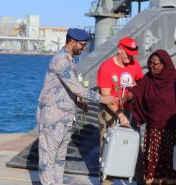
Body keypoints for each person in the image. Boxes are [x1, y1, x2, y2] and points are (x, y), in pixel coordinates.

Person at [36, 28, 117, 185]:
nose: (84, 48)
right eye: (83, 44)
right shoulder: (61, 60)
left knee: (59, 158)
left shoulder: (69, 60)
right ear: (72, 42)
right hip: (53, 118)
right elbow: (76, 88)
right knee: (48, 158)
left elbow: (65, 89)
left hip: (64, 117)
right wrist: (102, 99)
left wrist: (77, 101)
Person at [124, 49, 176, 185]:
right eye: (149, 63)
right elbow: (138, 90)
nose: (151, 66)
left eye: (155, 64)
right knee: (154, 163)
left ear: (164, 64)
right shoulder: (148, 78)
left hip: (175, 131)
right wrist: (129, 95)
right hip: (154, 131)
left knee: (174, 165)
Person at [96, 37, 144, 185]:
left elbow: (141, 83)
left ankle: (140, 180)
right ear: (120, 50)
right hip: (109, 111)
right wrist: (120, 115)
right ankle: (106, 181)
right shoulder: (106, 67)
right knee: (108, 147)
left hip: (130, 110)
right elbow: (105, 96)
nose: (131, 57)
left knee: (135, 146)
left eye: (133, 55)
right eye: (128, 54)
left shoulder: (134, 64)